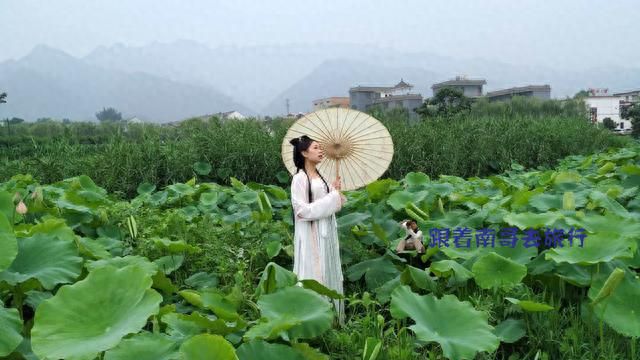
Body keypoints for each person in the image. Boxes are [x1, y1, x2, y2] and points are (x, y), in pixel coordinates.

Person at [289, 135, 347, 326]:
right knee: (313, 271)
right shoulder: (299, 179)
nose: (321, 150)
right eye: (316, 148)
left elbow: (334, 203)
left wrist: (335, 192)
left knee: (327, 268)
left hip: (326, 232)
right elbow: (301, 211)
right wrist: (332, 198)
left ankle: (332, 320)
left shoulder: (321, 179)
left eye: (320, 147)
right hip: (310, 233)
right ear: (304, 153)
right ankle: (311, 320)